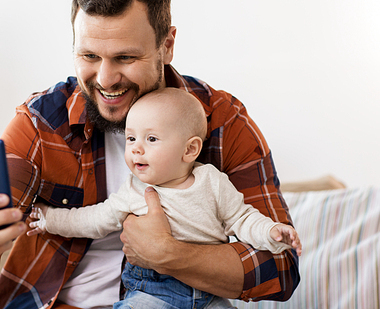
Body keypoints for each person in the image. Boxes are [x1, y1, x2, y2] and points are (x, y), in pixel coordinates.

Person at [0, 0, 300, 308]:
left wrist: (169, 254)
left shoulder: (220, 119)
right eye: (89, 56)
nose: (106, 79)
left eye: (126, 57)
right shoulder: (42, 123)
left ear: (167, 45)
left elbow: (281, 269)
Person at [27, 88, 302, 309]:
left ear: (190, 149)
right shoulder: (133, 191)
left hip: (210, 294)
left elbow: (243, 219)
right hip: (153, 293)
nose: (136, 149)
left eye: (152, 139)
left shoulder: (212, 182)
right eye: (131, 138)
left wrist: (271, 232)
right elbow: (92, 219)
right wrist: (49, 219)